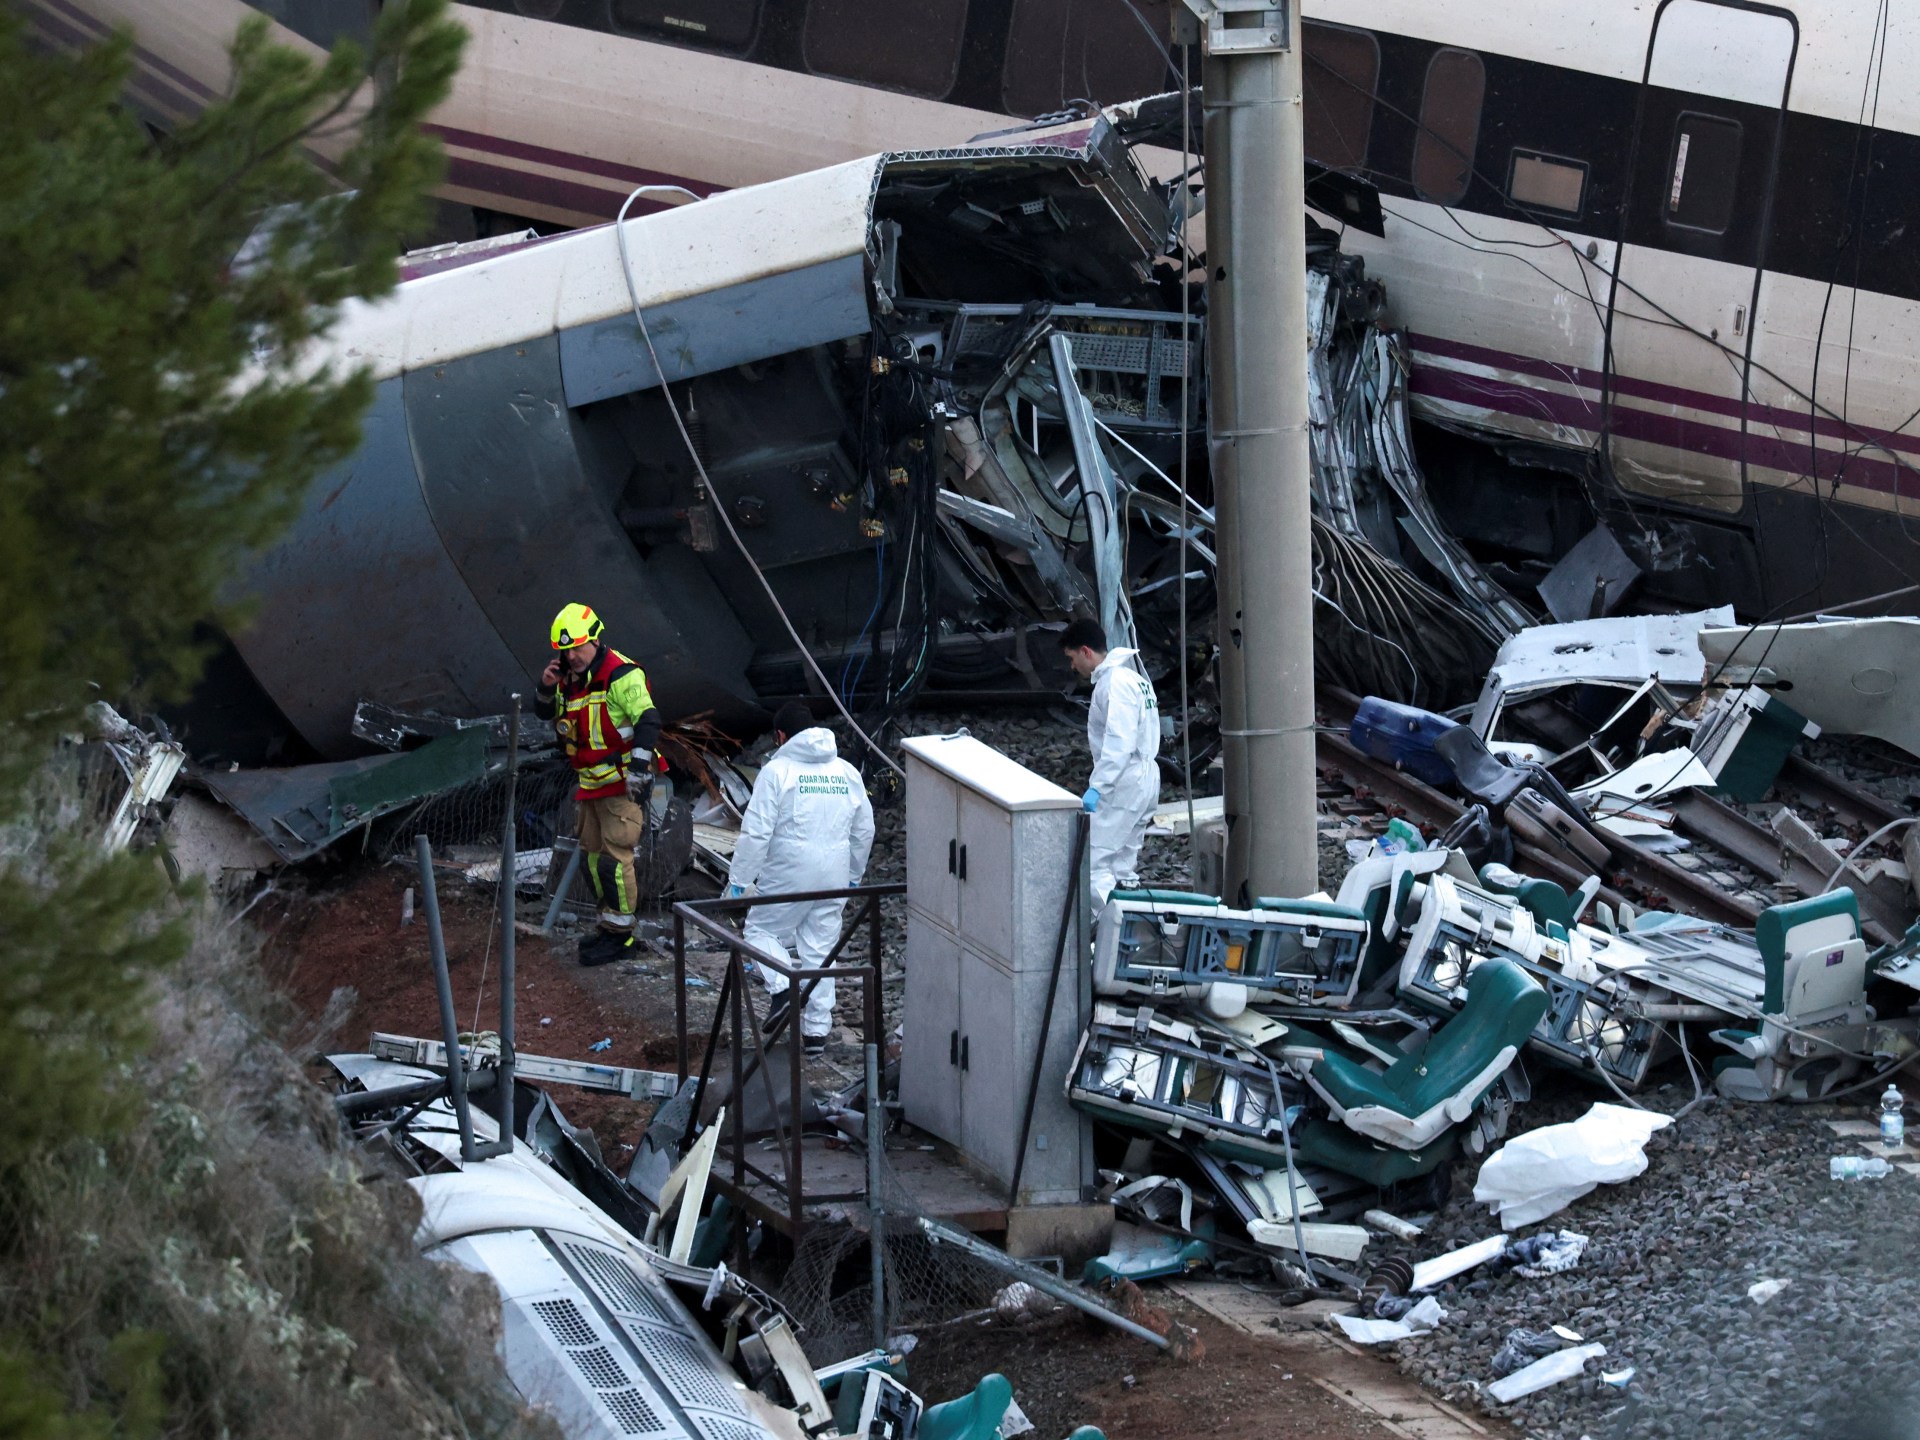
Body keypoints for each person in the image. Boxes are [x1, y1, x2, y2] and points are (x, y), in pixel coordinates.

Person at [725, 702, 876, 1056]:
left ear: (781, 736)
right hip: (835, 871)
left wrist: (739, 879)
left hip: (790, 871)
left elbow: (757, 832)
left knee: (760, 931)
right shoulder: (846, 771)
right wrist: (854, 874)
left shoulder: (777, 771)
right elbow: (865, 829)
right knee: (821, 949)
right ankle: (816, 1034)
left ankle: (782, 989)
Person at [534, 603, 661, 950]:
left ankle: (623, 936)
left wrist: (638, 772)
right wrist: (546, 687)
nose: (571, 656)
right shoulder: (570, 680)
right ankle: (608, 925)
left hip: (621, 784)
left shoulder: (621, 674)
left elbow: (648, 721)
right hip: (590, 783)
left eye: (577, 647)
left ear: (594, 639)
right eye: (564, 650)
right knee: (592, 860)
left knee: (614, 860)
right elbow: (549, 714)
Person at [1059, 617, 1161, 905]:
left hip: (1125, 780)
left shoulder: (1113, 684)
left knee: (1093, 862)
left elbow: (1119, 742)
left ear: (1086, 651)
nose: (1072, 666)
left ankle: (1103, 936)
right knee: (1123, 865)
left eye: (1072, 657)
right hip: (1145, 777)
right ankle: (1129, 936)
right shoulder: (1135, 679)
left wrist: (1098, 787)